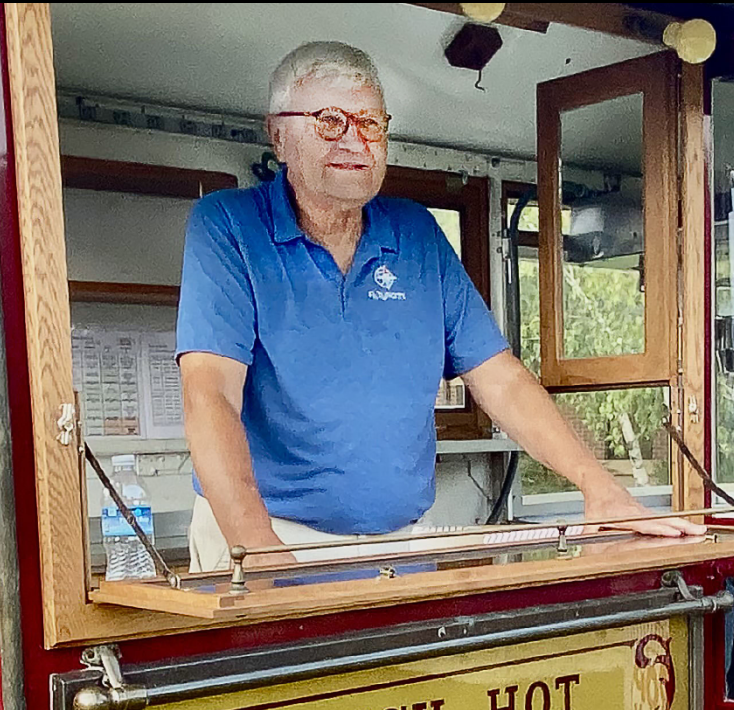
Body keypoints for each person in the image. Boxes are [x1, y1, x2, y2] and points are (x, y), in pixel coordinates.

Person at [176, 41, 702, 572]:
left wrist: (600, 488)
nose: (355, 140)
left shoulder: (417, 234)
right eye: (330, 121)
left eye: (371, 123)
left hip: (399, 545)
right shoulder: (227, 226)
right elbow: (210, 394)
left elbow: (500, 378)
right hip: (266, 535)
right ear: (279, 135)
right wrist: (258, 548)